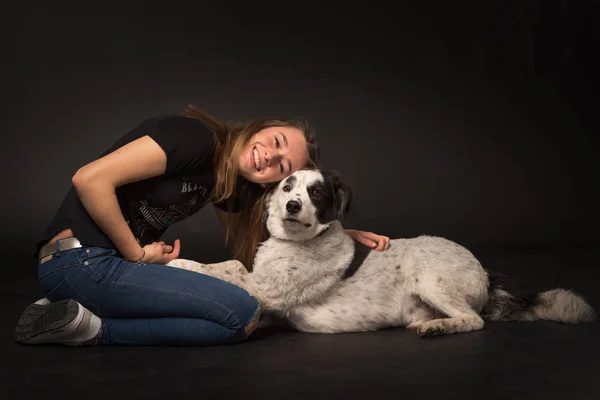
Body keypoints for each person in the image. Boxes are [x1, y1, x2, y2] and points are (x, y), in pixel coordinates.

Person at [13, 104, 391, 347]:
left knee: (242, 315)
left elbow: (269, 240)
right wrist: (137, 252)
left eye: (281, 166)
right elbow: (89, 179)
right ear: (262, 126)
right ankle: (92, 329)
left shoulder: (225, 181)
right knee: (240, 315)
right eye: (275, 141)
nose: (269, 157)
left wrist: (330, 232)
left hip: (101, 268)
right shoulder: (194, 137)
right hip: (81, 261)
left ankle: (66, 311)